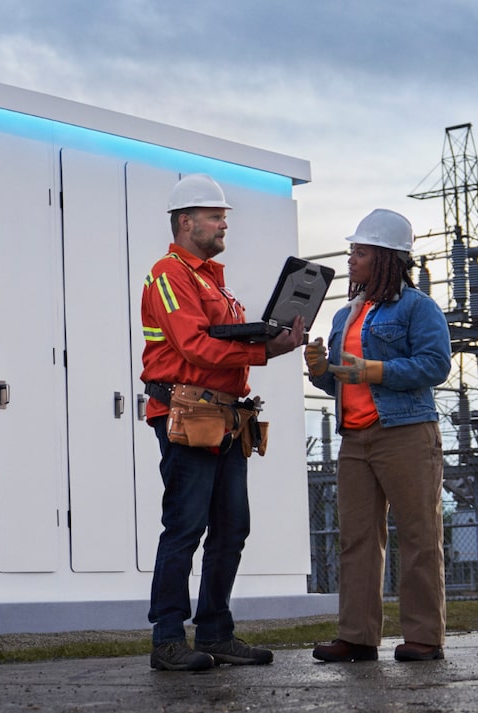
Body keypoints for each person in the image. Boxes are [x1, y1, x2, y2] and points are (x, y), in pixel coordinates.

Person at [140, 173, 304, 671]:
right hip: (187, 414)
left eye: (224, 216)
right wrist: (263, 349)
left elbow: (219, 340)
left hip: (225, 418)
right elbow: (193, 345)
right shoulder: (168, 275)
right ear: (186, 221)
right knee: (185, 528)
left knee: (232, 527)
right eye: (215, 216)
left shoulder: (211, 279)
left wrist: (264, 339)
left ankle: (214, 632)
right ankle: (167, 640)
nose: (223, 224)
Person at [306, 208, 451, 663]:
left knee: (418, 535)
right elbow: (339, 380)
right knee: (357, 539)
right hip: (355, 440)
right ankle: (358, 636)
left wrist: (377, 370)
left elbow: (436, 364)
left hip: (405, 433)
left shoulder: (418, 308)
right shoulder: (344, 315)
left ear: (387, 258)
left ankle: (424, 637)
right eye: (352, 250)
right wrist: (319, 371)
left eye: (360, 252)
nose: (351, 259)